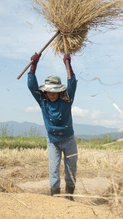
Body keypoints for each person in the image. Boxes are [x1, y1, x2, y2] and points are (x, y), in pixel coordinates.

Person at [27, 52, 78, 201]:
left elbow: (72, 83)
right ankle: (55, 199)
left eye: (54, 91)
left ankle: (69, 198)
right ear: (46, 91)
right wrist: (33, 66)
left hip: (69, 140)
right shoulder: (43, 102)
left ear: (60, 90)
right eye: (49, 91)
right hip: (53, 141)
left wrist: (68, 64)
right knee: (54, 170)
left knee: (71, 170)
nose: (51, 94)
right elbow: (31, 86)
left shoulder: (67, 100)